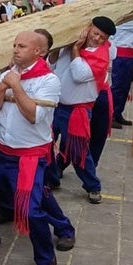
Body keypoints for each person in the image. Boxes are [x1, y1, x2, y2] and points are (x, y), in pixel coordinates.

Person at [0, 31, 65, 265]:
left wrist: (15, 85)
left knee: (31, 210)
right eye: (14, 45)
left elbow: (34, 116)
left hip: (28, 157)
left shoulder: (49, 81)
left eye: (21, 46)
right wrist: (3, 84)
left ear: (39, 52)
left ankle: (46, 257)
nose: (15, 50)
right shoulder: (8, 73)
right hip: (1, 150)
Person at [49, 17, 116, 204]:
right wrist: (59, 47)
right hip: (56, 106)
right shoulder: (71, 43)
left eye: (103, 37)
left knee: (79, 153)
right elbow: (52, 64)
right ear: (88, 28)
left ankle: (93, 186)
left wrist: (75, 49)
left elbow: (79, 75)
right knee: (45, 145)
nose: (97, 39)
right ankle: (52, 178)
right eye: (95, 33)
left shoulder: (101, 55)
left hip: (77, 110)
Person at [110, 18, 133, 128]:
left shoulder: (132, 21)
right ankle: (111, 115)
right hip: (122, 57)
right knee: (118, 87)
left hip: (128, 56)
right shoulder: (128, 20)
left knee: (125, 87)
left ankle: (118, 113)